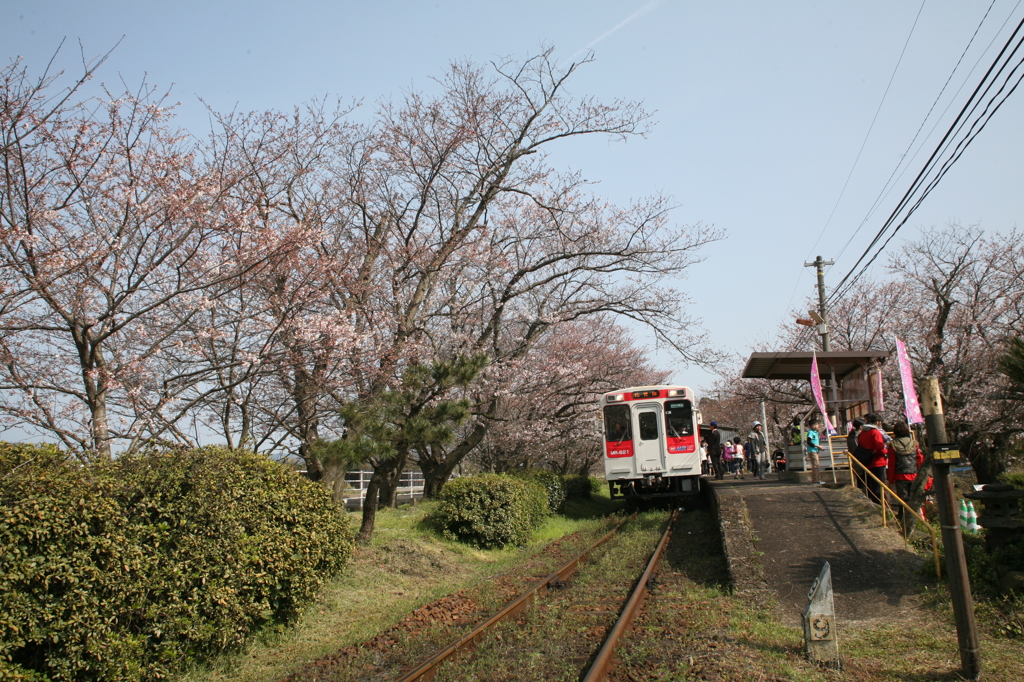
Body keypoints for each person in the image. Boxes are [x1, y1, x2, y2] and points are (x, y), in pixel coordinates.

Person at [887, 421, 925, 532]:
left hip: (900, 476)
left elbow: (892, 462)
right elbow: (919, 459)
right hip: (914, 475)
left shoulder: (893, 445)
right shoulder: (914, 444)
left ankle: (903, 518)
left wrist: (891, 478)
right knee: (914, 498)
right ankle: (916, 518)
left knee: (902, 499)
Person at [856, 412, 889, 503]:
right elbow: (879, 447)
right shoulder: (875, 432)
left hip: (867, 461)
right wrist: (886, 451)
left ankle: (873, 503)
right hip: (878, 461)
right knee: (879, 485)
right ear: (877, 422)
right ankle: (881, 504)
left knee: (871, 484)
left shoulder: (862, 433)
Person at [806, 418, 822, 484]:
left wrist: (819, 447)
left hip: (815, 450)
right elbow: (808, 441)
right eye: (813, 425)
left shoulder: (815, 433)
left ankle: (817, 480)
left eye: (816, 424)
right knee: (815, 466)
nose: (815, 426)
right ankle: (816, 481)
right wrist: (817, 446)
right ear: (810, 426)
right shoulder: (810, 432)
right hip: (812, 451)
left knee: (817, 465)